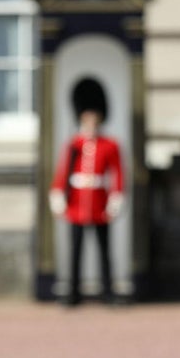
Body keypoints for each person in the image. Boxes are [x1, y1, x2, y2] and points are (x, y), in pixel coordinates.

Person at [49, 77, 125, 306]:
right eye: (87, 117)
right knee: (76, 251)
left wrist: (116, 197)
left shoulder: (109, 145)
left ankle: (108, 291)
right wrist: (57, 194)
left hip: (99, 203)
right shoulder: (74, 145)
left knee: (104, 251)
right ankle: (73, 293)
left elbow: (118, 174)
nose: (91, 121)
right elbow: (64, 171)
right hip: (78, 204)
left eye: (94, 117)